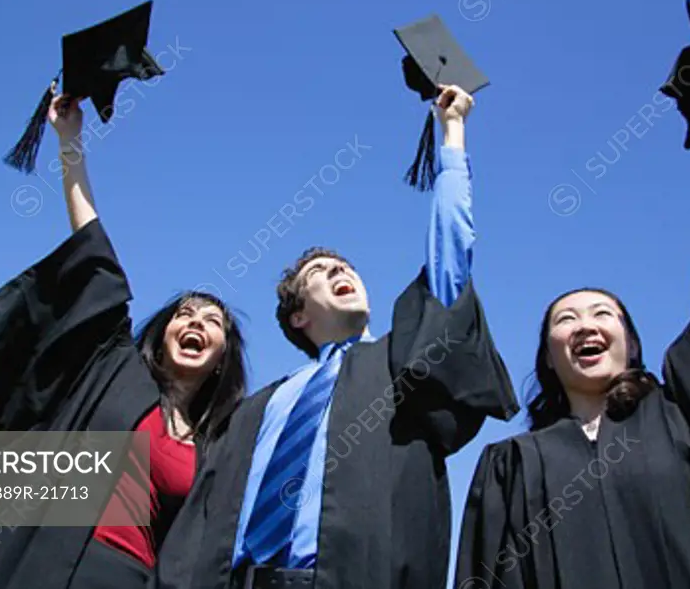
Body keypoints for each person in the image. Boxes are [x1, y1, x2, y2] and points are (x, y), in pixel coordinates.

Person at [453, 99, 690, 589]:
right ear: (548, 357)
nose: (585, 326)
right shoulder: (511, 465)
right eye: (565, 320)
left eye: (602, 314)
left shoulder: (688, 415)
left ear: (630, 343)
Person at [155, 84, 520, 589]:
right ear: (298, 316)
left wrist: (452, 134)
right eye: (322, 272)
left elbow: (450, 265)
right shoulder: (258, 409)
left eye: (345, 266)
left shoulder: (398, 364)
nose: (341, 270)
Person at [0, 95, 248, 589]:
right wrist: (70, 143)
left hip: (127, 578)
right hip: (37, 552)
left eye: (212, 321)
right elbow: (94, 252)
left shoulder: (217, 444)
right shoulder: (116, 370)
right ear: (161, 334)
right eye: (184, 313)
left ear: (223, 356)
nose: (195, 322)